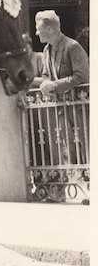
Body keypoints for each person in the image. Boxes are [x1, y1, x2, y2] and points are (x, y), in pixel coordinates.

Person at [31, 10, 89, 170]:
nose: (36, 33)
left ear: (49, 29)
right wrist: (45, 84)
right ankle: (75, 177)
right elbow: (46, 75)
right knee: (67, 147)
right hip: (61, 108)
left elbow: (82, 76)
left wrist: (54, 85)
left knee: (87, 145)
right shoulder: (46, 50)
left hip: (80, 108)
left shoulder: (72, 47)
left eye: (38, 29)